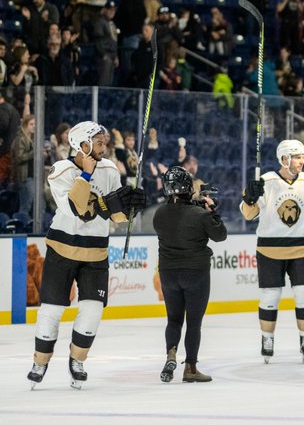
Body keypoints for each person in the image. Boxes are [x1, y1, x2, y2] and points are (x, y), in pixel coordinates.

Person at [28, 121, 146, 389]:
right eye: (99, 142)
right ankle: (40, 361)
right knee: (52, 310)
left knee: (93, 311)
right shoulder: (61, 170)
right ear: (81, 145)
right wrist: (89, 178)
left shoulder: (110, 169)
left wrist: (130, 208)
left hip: (96, 251)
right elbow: (77, 207)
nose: (105, 147)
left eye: (105, 142)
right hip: (62, 249)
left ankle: (77, 360)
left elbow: (114, 215)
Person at [240, 139, 304, 365]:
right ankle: (267, 339)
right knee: (270, 297)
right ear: (284, 159)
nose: (302, 161)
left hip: (300, 249)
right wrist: (249, 198)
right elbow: (248, 214)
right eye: (297, 157)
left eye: (302, 156)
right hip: (269, 249)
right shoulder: (266, 181)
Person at [153, 165, 226, 383]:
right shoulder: (200, 215)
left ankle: (171, 353)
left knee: (173, 319)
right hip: (196, 272)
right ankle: (191, 368)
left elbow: (178, 215)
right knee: (194, 322)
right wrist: (212, 212)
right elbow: (220, 235)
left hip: (168, 272)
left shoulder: (159, 214)